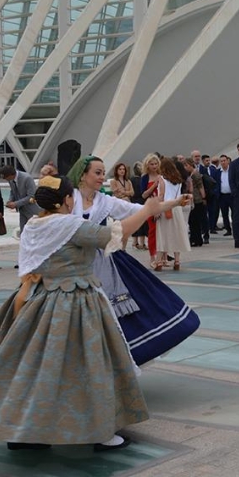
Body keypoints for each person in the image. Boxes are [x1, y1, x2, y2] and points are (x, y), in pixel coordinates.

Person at [0, 175, 190, 452]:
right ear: (66, 200)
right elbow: (114, 236)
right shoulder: (72, 225)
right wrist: (147, 211)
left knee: (33, 369)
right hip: (76, 304)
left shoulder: (33, 226)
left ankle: (25, 433)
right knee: (91, 367)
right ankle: (99, 432)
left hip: (35, 302)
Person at [69, 155, 200, 364]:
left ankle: (113, 361)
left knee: (124, 310)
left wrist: (175, 202)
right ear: (82, 175)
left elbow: (140, 210)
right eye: (97, 172)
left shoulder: (104, 200)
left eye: (103, 172)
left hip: (104, 263)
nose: (102, 177)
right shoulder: (69, 198)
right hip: (73, 266)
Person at [154, 157, 191, 270]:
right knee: (177, 234)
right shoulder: (178, 180)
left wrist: (157, 210)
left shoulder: (161, 179)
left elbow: (161, 195)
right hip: (177, 207)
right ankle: (177, 261)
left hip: (166, 207)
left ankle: (159, 262)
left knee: (162, 234)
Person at [1, 165, 39, 236]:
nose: (6, 180)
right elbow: (13, 191)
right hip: (22, 209)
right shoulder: (11, 180)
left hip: (32, 210)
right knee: (23, 232)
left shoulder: (27, 178)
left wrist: (15, 204)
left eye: (6, 178)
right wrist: (10, 200)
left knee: (34, 232)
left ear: (11, 175)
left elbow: (32, 196)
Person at [138, 154, 161, 253]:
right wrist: (154, 186)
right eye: (152, 164)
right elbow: (143, 195)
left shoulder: (162, 176)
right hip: (150, 206)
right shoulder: (145, 177)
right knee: (152, 231)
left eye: (156, 164)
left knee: (162, 232)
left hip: (161, 205)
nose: (154, 166)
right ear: (147, 165)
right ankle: (153, 253)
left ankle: (162, 254)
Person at [216, 155, 234, 236]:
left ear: (227, 161)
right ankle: (228, 229)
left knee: (235, 212)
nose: (223, 162)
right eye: (221, 161)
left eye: (224, 160)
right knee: (224, 214)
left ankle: (235, 228)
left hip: (232, 195)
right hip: (222, 196)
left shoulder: (232, 170)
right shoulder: (218, 172)